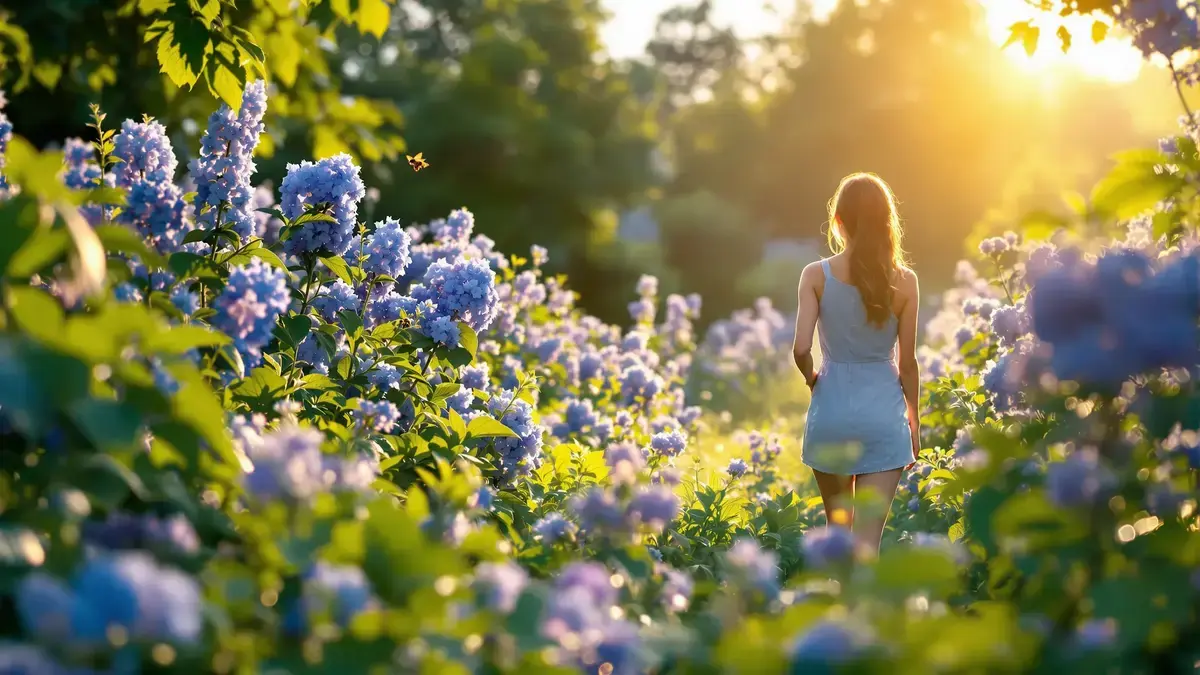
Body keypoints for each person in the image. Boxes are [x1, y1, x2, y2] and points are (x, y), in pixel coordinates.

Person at [791, 171, 921, 559]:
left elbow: (800, 349)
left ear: (839, 222)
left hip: (831, 410)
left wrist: (813, 378)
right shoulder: (906, 282)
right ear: (887, 223)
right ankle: (867, 617)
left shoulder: (816, 275)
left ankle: (838, 612)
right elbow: (908, 363)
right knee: (867, 544)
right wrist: (914, 423)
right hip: (883, 415)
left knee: (838, 534)